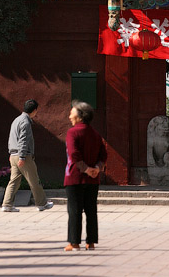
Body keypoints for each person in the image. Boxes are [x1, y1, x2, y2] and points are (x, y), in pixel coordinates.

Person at [63, 100, 107, 252]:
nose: (69, 115)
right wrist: (96, 168)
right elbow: (104, 154)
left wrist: (86, 169)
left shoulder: (72, 132)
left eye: (72, 112)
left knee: (74, 210)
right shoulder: (95, 134)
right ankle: (91, 242)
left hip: (75, 177)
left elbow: (73, 153)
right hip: (93, 179)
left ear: (80, 115)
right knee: (91, 210)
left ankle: (74, 242)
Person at [1, 99, 53, 212]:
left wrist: (11, 153)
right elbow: (23, 140)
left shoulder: (16, 120)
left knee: (13, 181)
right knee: (34, 180)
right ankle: (42, 204)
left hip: (13, 155)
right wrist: (22, 157)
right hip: (23, 156)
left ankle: (7, 204)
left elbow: (12, 138)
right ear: (34, 110)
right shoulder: (26, 122)